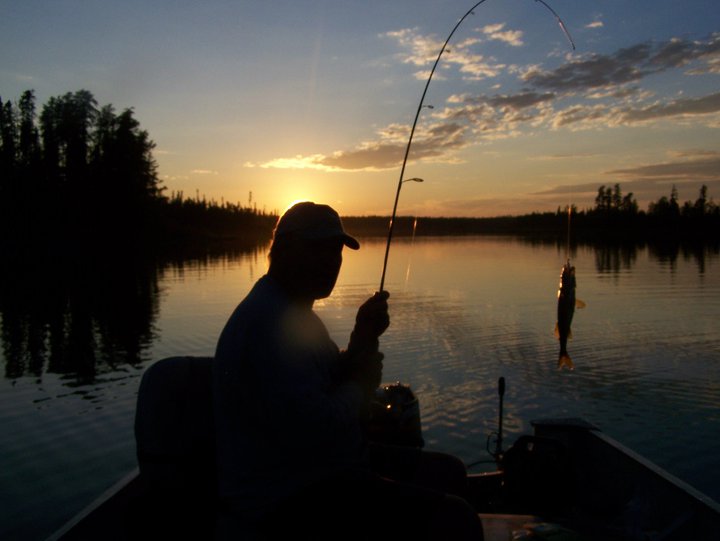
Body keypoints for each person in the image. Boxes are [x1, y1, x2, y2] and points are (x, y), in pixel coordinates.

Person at [213, 201, 483, 539]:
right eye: (318, 250)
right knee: (456, 519)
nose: (331, 263)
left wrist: (362, 338)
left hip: (323, 471)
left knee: (450, 472)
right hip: (285, 498)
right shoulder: (268, 324)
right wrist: (360, 384)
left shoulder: (294, 311)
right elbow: (318, 428)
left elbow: (326, 378)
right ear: (284, 250)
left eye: (336, 252)